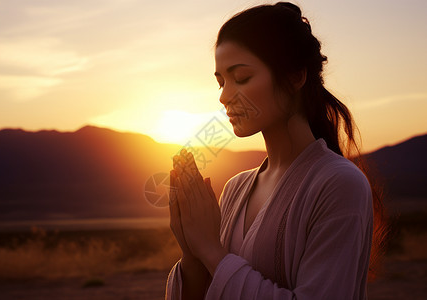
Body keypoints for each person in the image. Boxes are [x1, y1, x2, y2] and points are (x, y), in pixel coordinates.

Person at [166, 2, 387, 299]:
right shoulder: (235, 188)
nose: (224, 96)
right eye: (221, 82)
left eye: (241, 78)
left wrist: (211, 249)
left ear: (296, 76)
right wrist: (192, 253)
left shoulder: (339, 184)